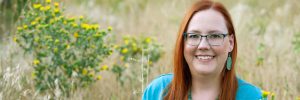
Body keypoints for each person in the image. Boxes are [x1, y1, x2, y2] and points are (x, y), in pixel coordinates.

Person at [142, 0, 262, 100]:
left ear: (231, 43)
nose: (203, 45)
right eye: (194, 36)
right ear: (182, 43)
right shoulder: (157, 91)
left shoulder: (254, 97)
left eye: (215, 36)